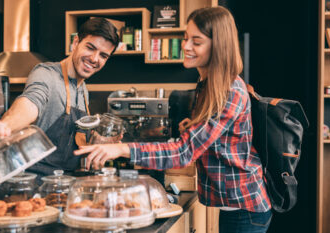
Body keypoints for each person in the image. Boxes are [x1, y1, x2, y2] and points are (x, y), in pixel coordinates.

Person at [74, 6, 272, 233]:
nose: (186, 47)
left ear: (218, 46)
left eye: (196, 42)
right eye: (186, 38)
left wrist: (121, 149)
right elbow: (216, 136)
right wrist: (193, 127)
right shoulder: (208, 85)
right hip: (233, 205)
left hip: (245, 209)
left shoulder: (228, 91)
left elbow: (183, 152)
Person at [0, 17, 119, 176]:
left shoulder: (83, 91)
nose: (95, 59)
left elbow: (73, 137)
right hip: (35, 184)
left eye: (103, 55)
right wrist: (5, 126)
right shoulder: (46, 74)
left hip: (64, 183)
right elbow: (31, 103)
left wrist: (97, 142)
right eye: (90, 48)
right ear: (75, 43)